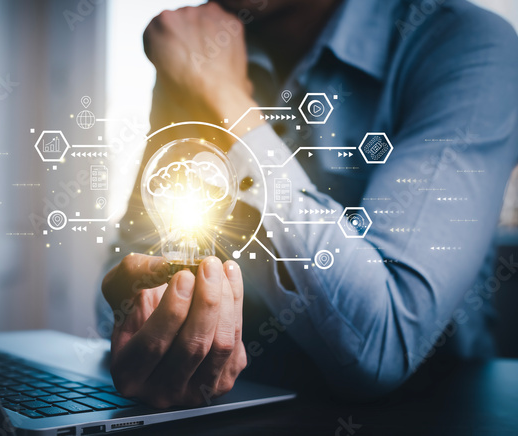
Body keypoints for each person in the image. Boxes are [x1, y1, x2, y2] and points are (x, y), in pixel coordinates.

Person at [98, 0, 518, 408]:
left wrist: (225, 100)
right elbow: (115, 306)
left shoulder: (465, 45)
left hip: (427, 416)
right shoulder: (196, 45)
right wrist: (138, 325)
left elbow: (381, 346)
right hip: (223, 412)